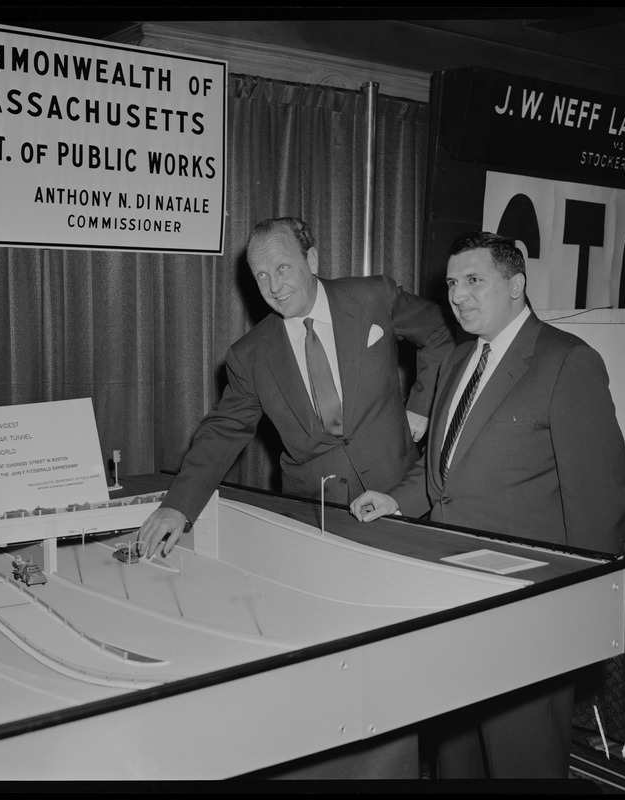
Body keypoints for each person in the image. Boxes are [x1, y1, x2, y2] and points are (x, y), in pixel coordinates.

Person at [139, 215, 453, 779]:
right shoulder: (250, 354)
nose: (275, 285)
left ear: (311, 259)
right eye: (261, 277)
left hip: (400, 501)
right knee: (333, 661)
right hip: (320, 519)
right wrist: (178, 505)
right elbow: (222, 433)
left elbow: (436, 333)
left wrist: (422, 409)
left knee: (404, 655)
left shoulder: (373, 296)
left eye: (283, 267)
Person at [350, 230, 625, 779]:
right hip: (458, 603)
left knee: (522, 765)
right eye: (453, 284)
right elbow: (440, 474)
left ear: (517, 285)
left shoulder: (567, 362)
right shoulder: (455, 361)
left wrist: (577, 618)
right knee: (459, 763)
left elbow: (598, 508)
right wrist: (395, 500)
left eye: (475, 280)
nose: (458, 296)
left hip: (530, 615)